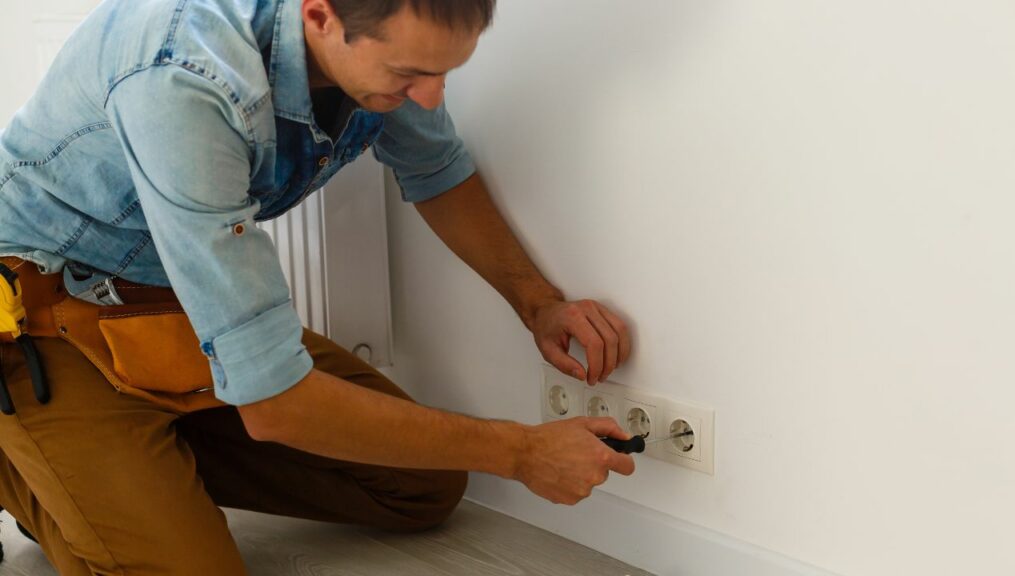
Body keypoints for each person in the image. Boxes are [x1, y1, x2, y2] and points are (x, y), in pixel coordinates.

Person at [0, 0, 635, 573]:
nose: (432, 97)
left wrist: (540, 304)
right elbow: (276, 403)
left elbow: (436, 169)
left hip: (170, 305)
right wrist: (521, 451)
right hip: (43, 317)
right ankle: (32, 463)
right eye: (409, 73)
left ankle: (117, 463)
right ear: (321, 16)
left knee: (425, 485)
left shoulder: (377, 56)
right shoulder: (183, 77)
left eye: (446, 72)